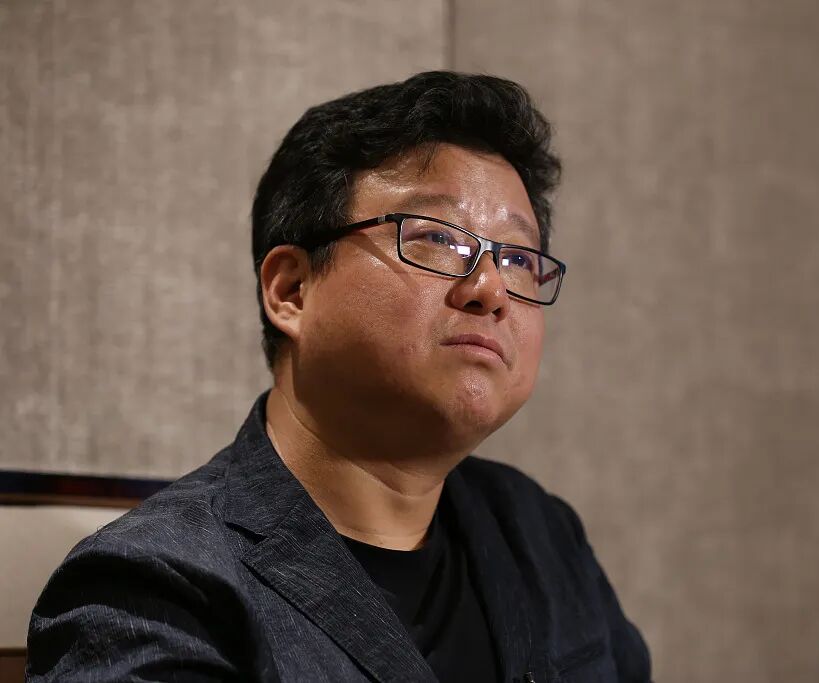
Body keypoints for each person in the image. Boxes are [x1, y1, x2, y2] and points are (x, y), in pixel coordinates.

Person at [25, 71, 651, 682]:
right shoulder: (155, 588)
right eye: (436, 239)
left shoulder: (537, 531)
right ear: (292, 290)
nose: (490, 289)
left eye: (516, 258)